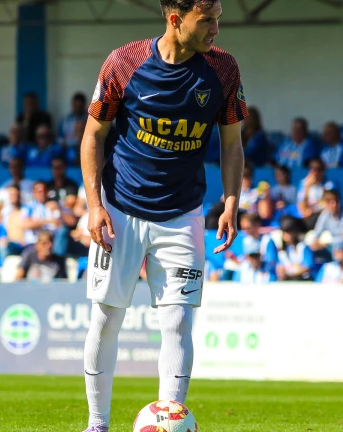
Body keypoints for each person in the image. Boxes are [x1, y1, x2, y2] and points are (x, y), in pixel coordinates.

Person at [80, 1, 247, 430]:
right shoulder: (124, 62)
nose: (215, 28)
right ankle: (97, 424)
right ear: (176, 19)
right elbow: (93, 136)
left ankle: (169, 422)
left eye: (217, 18)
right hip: (119, 210)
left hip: (182, 214)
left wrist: (231, 202)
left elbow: (232, 144)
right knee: (106, 318)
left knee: (178, 321)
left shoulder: (224, 69)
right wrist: (95, 206)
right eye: (206, 20)